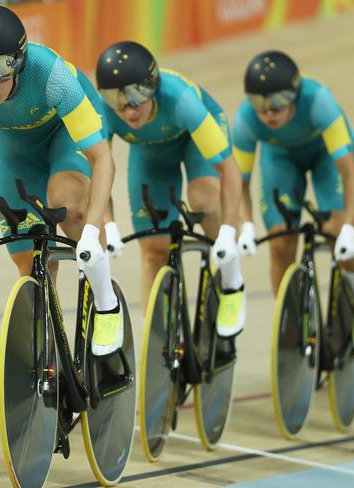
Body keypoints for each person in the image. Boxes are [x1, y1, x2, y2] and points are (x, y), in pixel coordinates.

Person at [0, 5, 122, 356]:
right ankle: (49, 357)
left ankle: (106, 302)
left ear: (19, 61)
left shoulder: (50, 74)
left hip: (66, 134)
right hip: (15, 147)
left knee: (67, 202)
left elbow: (102, 159)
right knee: (27, 259)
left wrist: (92, 233)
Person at [95, 41, 246, 337]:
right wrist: (108, 223)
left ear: (152, 87)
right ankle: (157, 336)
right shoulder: (105, 110)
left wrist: (228, 231)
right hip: (150, 151)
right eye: (117, 101)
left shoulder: (181, 101)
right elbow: (99, 170)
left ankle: (232, 282)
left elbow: (229, 169)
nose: (127, 110)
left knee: (204, 201)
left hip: (193, 140)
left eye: (136, 98)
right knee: (153, 249)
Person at [232, 50, 354, 351]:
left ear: (295, 96)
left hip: (326, 156)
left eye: (277, 103)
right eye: (259, 104)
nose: (268, 112)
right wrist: (245, 222)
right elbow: (239, 182)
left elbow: (350, 173)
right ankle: (292, 319)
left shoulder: (319, 101)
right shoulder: (246, 119)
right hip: (280, 159)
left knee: (337, 231)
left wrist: (350, 226)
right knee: (280, 241)